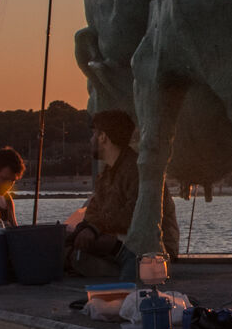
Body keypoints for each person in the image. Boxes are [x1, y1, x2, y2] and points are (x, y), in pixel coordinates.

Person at [62, 110, 177, 276]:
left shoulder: (138, 171)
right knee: (66, 241)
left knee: (91, 244)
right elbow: (94, 211)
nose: (91, 139)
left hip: (154, 247)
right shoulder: (107, 173)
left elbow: (132, 217)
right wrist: (85, 228)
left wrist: (94, 230)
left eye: (94, 134)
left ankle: (129, 273)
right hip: (120, 239)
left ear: (103, 137)